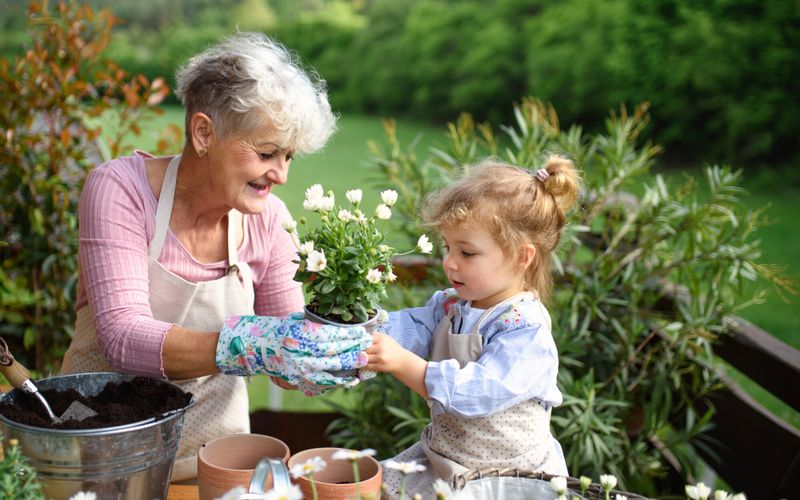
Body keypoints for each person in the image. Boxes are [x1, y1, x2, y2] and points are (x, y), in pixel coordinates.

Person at [60, 32, 370, 481]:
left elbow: (287, 360)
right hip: (101, 450)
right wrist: (250, 345)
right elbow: (122, 338)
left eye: (289, 157)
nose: (280, 174)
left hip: (213, 462)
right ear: (204, 132)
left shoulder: (268, 220)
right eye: (266, 153)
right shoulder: (121, 190)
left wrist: (332, 355)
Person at [364, 155, 580, 498]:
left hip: (506, 480)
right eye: (448, 247)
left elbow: (480, 391)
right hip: (445, 460)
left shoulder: (525, 330)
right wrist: (358, 335)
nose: (449, 262)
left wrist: (404, 364)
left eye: (467, 253)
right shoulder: (452, 305)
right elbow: (408, 329)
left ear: (523, 256)